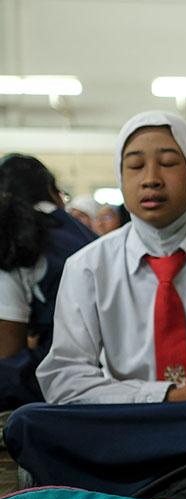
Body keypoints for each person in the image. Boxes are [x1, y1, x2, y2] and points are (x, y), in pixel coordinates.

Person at [4, 111, 186, 496]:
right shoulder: (88, 266)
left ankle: (123, 487)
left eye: (167, 162)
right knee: (28, 423)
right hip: (129, 423)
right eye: (135, 166)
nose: (150, 178)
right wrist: (168, 397)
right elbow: (64, 378)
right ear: (120, 175)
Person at [0, 154, 97, 409]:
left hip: (59, 374)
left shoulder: (15, 233)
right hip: (101, 365)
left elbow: (8, 349)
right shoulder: (81, 232)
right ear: (53, 191)